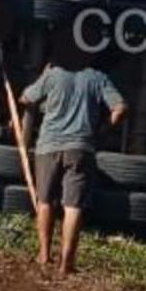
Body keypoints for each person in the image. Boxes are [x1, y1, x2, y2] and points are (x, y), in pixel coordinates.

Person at [20, 43, 127, 275]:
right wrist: (103, 130)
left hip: (48, 146)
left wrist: (43, 75)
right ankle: (66, 264)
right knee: (73, 205)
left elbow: (26, 98)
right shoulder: (98, 78)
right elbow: (120, 108)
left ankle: (44, 255)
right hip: (81, 147)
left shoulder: (53, 75)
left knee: (45, 201)